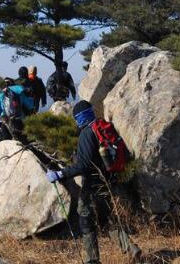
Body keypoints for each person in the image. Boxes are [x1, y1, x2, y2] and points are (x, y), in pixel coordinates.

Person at [45, 100, 141, 264]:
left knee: (85, 220)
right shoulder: (103, 128)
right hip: (107, 183)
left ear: (79, 118)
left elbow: (84, 165)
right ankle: (132, 250)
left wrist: (61, 173)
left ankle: (92, 260)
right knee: (106, 219)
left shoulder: (86, 134)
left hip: (91, 186)